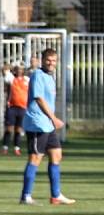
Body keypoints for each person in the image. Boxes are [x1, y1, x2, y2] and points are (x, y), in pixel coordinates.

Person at [20, 48, 76, 205]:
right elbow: (38, 98)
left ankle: (56, 195)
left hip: (48, 125)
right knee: (35, 158)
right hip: (38, 123)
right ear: (42, 60)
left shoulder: (50, 77)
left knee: (56, 155)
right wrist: (53, 118)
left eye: (54, 60)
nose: (51, 63)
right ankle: (26, 196)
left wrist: (52, 120)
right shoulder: (38, 75)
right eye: (48, 60)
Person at [1, 64, 28, 156]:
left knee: (18, 130)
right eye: (17, 69)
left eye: (21, 69)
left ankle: (17, 148)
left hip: (23, 107)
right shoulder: (11, 78)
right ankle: (5, 147)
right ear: (14, 70)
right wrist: (9, 66)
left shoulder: (27, 80)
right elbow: (4, 70)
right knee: (9, 129)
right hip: (12, 107)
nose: (19, 71)